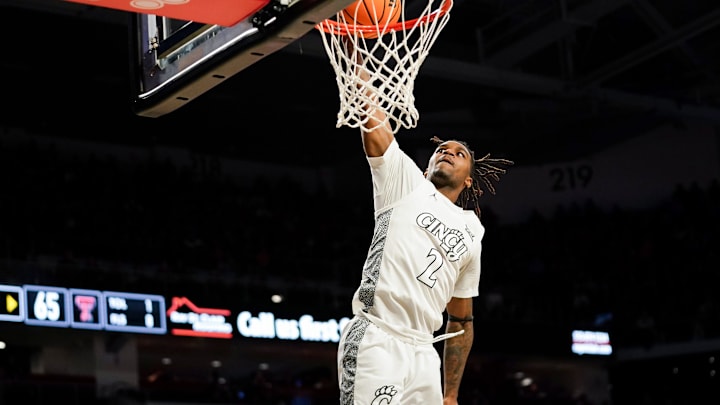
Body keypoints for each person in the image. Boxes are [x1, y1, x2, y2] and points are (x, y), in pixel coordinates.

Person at [337, 59, 513, 405]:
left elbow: (461, 318)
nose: (448, 151)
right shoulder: (404, 183)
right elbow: (374, 119)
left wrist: (450, 394)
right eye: (441, 149)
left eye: (459, 152)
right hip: (378, 335)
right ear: (426, 165)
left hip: (423, 353)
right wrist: (355, 57)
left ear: (468, 180)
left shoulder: (472, 230)